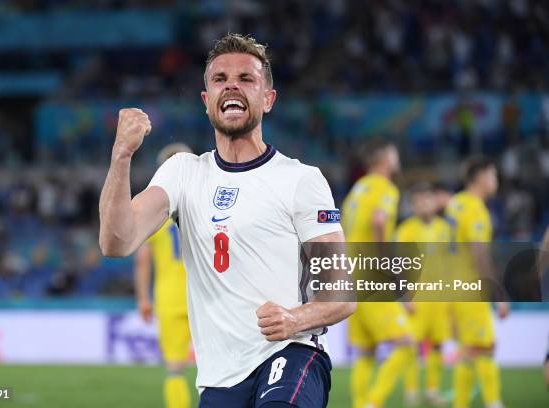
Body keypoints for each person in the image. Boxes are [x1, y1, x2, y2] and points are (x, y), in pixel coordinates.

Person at [99, 33, 356, 408]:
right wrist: (121, 156)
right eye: (220, 79)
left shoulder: (301, 180)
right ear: (207, 102)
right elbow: (116, 242)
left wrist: (295, 318)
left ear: (268, 99)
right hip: (220, 378)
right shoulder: (182, 172)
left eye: (246, 79)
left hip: (292, 352)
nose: (231, 85)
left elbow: (341, 291)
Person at [341, 141, 415, 408]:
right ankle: (373, 402)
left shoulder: (355, 192)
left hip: (350, 279)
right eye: (394, 153)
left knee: (365, 351)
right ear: (384, 159)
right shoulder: (386, 188)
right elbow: (379, 221)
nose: (397, 158)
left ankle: (361, 404)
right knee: (407, 344)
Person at [445, 157, 510, 408]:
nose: (495, 181)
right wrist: (499, 294)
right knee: (485, 347)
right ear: (481, 177)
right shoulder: (474, 208)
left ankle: (461, 404)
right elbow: (479, 254)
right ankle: (494, 402)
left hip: (454, 285)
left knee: (469, 350)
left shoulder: (455, 203)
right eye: (493, 175)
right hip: (471, 287)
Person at [135, 143, 194, 408]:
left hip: (169, 298)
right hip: (205, 296)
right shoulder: (207, 205)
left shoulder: (155, 212)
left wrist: (143, 299)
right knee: (220, 370)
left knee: (174, 370)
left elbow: (142, 261)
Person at [395, 183, 451, 406]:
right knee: (412, 347)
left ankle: (432, 390)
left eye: (428, 200)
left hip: (440, 298)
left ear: (435, 202)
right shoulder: (406, 230)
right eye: (419, 201)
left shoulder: (445, 229)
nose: (424, 204)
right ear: (414, 205)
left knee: (438, 345)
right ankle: (411, 392)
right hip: (416, 299)